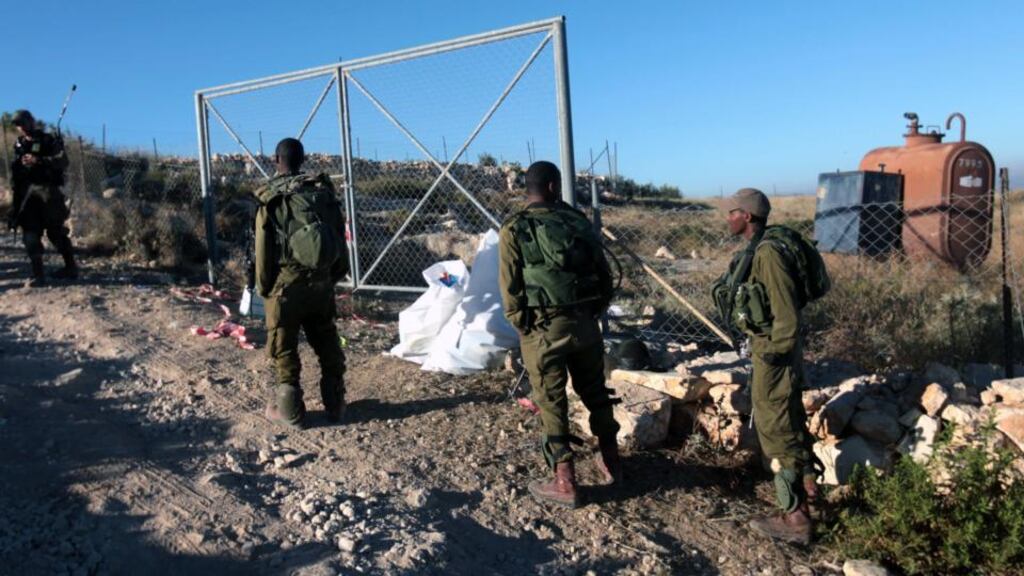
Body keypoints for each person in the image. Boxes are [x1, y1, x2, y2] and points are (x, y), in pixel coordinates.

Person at [498, 160, 621, 508]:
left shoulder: (514, 228)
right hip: (584, 321)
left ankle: (564, 480)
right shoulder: (576, 221)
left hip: (542, 328)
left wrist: (522, 324)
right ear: (554, 186)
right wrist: (592, 311)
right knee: (596, 391)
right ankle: (612, 460)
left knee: (551, 400)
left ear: (529, 188)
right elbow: (604, 273)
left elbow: (510, 286)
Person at [716, 188, 817, 544]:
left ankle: (795, 517)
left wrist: (774, 354)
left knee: (775, 428)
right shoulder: (759, 249)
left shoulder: (769, 253)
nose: (727, 217)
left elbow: (786, 313)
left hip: (775, 352)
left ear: (748, 216)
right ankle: (807, 489)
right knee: (786, 419)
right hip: (771, 348)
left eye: (732, 212)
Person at [254, 138, 348, 429]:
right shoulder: (323, 194)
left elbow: (263, 252)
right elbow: (339, 238)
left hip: (286, 285)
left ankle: (291, 413)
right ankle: (336, 405)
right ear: (303, 159)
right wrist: (332, 277)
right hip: (321, 283)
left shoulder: (271, 199)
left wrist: (265, 288)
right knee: (326, 339)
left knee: (284, 348)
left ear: (275, 159)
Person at [7, 110, 78, 286]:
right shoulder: (19, 144)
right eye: (17, 124)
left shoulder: (48, 140)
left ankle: (70, 267)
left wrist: (39, 161)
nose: (21, 127)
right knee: (30, 232)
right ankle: (38, 275)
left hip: (48, 192)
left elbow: (62, 161)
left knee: (55, 231)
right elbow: (16, 172)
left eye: (23, 122)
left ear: (31, 121)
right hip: (26, 193)